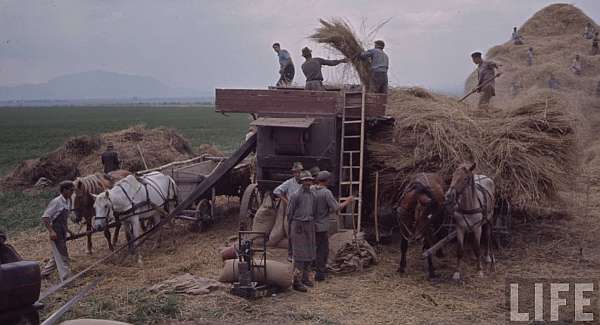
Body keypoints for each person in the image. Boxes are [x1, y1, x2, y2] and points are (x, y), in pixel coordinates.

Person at [312, 171, 353, 281]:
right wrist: (347, 201)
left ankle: (312, 268)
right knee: (322, 249)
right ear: (326, 181)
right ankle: (320, 274)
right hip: (321, 226)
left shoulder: (311, 189)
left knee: (313, 247)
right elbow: (336, 208)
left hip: (310, 224)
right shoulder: (326, 192)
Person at [287, 171, 317, 292]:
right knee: (299, 255)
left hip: (309, 225)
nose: (308, 182)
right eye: (305, 180)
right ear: (301, 181)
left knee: (309, 253)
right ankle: (296, 281)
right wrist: (293, 226)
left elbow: (313, 211)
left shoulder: (313, 195)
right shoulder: (295, 195)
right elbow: (289, 213)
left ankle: (305, 278)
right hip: (298, 225)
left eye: (309, 180)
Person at [41, 181, 75, 281]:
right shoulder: (56, 201)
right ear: (64, 190)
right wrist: (51, 231)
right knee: (62, 254)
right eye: (71, 190)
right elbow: (45, 217)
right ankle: (66, 279)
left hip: (62, 229)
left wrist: (69, 231)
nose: (72, 192)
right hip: (56, 230)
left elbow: (62, 220)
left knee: (57, 254)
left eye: (73, 190)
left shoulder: (67, 201)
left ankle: (44, 273)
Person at [274, 162, 304, 261]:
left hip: (303, 211)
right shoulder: (289, 182)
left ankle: (301, 253)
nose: (298, 174)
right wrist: (286, 201)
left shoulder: (305, 182)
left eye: (299, 172)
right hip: (292, 211)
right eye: (296, 172)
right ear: (293, 173)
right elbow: (277, 191)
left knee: (303, 232)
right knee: (292, 233)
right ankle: (290, 254)